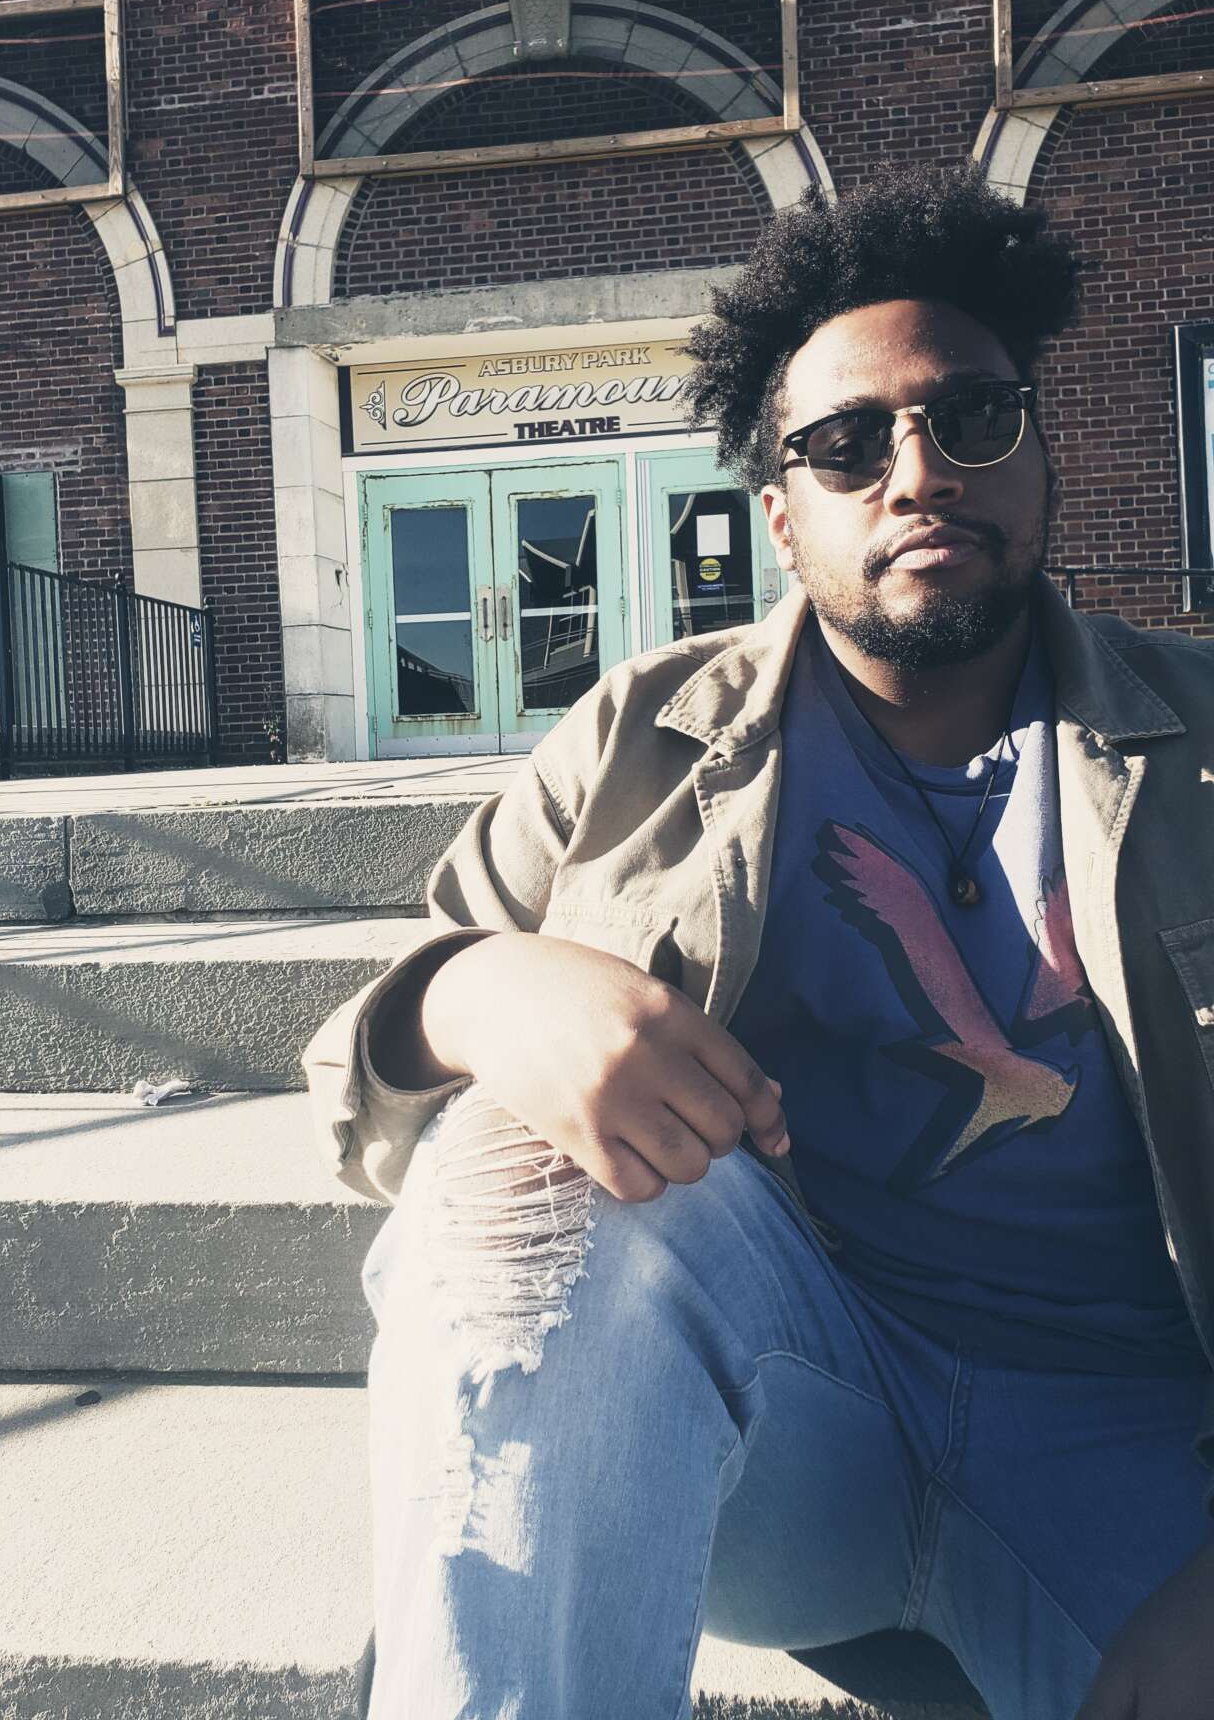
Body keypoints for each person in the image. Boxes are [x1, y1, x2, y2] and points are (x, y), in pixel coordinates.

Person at [302, 162, 1214, 1720]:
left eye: (972, 417)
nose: (917, 475)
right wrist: (483, 992)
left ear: (1041, 455)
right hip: (799, 1430)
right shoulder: (642, 737)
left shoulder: (1197, 736)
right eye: (850, 446)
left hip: (1136, 1456)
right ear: (782, 519)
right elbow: (356, 1078)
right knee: (521, 1153)